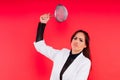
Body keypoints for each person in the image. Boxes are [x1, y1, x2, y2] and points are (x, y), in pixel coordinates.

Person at [34, 13, 91, 80]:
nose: (77, 41)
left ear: (85, 45)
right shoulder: (62, 53)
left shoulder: (85, 62)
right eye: (75, 38)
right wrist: (42, 23)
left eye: (81, 40)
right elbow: (40, 46)